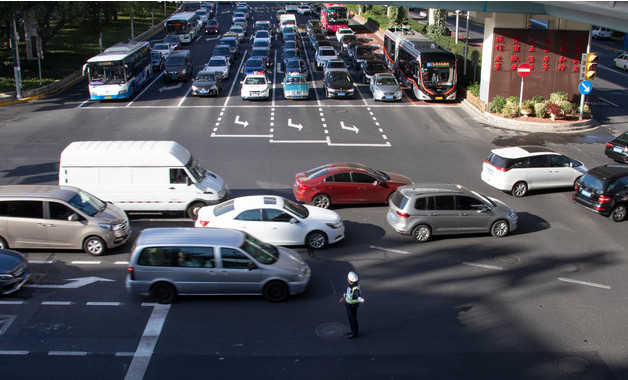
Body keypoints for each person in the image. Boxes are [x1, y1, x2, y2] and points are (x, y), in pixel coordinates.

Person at [339, 271, 364, 339]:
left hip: (352, 305)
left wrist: (359, 298)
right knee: (351, 318)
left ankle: (354, 332)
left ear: (349, 280)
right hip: (349, 304)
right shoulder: (351, 286)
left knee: (353, 319)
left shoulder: (355, 288)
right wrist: (345, 295)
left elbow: (356, 294)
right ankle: (352, 330)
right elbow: (349, 292)